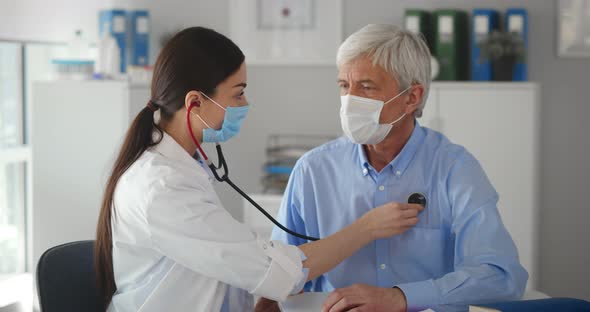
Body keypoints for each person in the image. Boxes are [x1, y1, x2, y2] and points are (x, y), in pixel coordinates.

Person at [94, 26, 423, 312]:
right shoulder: (161, 186)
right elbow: (278, 272)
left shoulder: (179, 168)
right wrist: (365, 228)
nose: (245, 105)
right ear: (195, 103)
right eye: (237, 94)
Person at [261, 24, 528, 312]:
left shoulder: (454, 168)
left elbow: (502, 277)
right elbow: (280, 275)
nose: (350, 100)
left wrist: (402, 297)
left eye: (366, 87)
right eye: (344, 85)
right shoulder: (312, 170)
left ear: (411, 97)